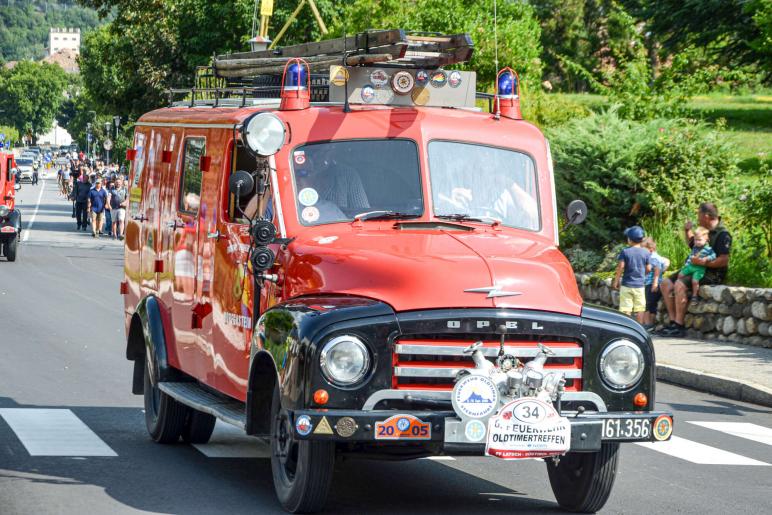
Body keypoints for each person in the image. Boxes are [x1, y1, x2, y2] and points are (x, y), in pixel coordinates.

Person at [659, 202, 732, 337]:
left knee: (680, 284)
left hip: (712, 273)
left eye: (698, 215)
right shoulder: (704, 230)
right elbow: (693, 244)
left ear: (706, 216)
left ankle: (679, 326)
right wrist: (687, 231)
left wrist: (704, 262)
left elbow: (724, 260)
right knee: (665, 283)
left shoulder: (723, 234)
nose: (697, 218)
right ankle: (673, 321)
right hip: (694, 267)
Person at [612, 225, 651, 324]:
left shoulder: (625, 252)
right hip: (640, 286)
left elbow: (621, 267)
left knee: (626, 308)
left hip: (626, 285)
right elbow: (649, 268)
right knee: (640, 308)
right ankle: (639, 328)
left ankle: (626, 327)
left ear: (629, 240)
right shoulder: (646, 252)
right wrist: (643, 274)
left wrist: (616, 281)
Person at [676, 226, 716, 303]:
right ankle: (679, 290)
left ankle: (695, 295)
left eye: (699, 240)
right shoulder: (695, 247)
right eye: (695, 240)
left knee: (695, 281)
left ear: (706, 240)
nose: (697, 242)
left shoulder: (708, 249)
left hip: (699, 268)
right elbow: (691, 256)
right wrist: (687, 263)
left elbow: (713, 255)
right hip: (691, 266)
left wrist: (707, 258)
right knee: (680, 275)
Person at [641, 237, 669, 332]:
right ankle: (648, 324)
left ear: (651, 249)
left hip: (651, 284)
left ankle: (649, 324)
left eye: (643, 249)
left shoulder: (653, 258)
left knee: (648, 305)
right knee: (649, 305)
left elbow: (657, 270)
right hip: (649, 283)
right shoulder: (652, 257)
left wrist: (655, 284)